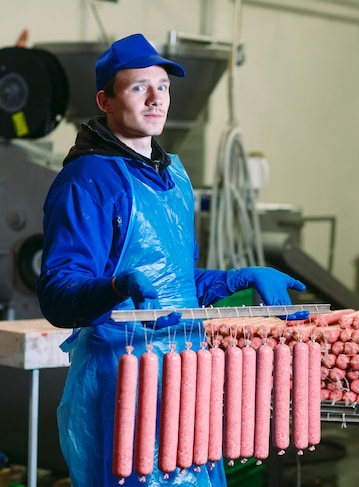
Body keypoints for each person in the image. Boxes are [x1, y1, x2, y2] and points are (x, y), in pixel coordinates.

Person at [36, 33, 306, 487]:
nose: (155, 98)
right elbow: (58, 294)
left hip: (185, 376)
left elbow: (177, 283)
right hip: (125, 381)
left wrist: (237, 278)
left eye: (162, 86)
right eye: (138, 87)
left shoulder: (174, 176)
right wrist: (116, 287)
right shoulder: (89, 180)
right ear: (105, 99)